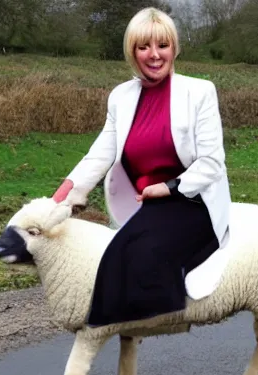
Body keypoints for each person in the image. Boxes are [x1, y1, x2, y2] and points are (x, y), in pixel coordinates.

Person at [52, 7, 231, 326]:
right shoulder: (121, 96)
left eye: (162, 45)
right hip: (140, 202)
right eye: (143, 46)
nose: (154, 55)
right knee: (111, 253)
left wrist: (169, 187)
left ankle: (148, 323)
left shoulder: (199, 92)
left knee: (137, 249)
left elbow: (212, 161)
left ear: (174, 48)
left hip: (190, 200)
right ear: (132, 51)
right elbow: (99, 154)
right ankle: (106, 330)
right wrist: (63, 196)